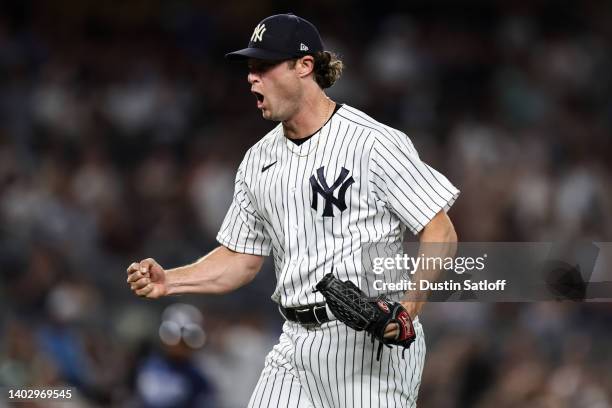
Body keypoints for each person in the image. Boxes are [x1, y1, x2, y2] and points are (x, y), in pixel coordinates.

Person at [127, 13, 459, 407]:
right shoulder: (257, 161)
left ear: (305, 66)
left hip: (371, 344)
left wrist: (409, 309)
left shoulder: (372, 143)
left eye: (264, 66)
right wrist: (171, 281)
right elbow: (241, 259)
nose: (252, 78)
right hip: (295, 345)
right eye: (250, 68)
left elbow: (440, 231)